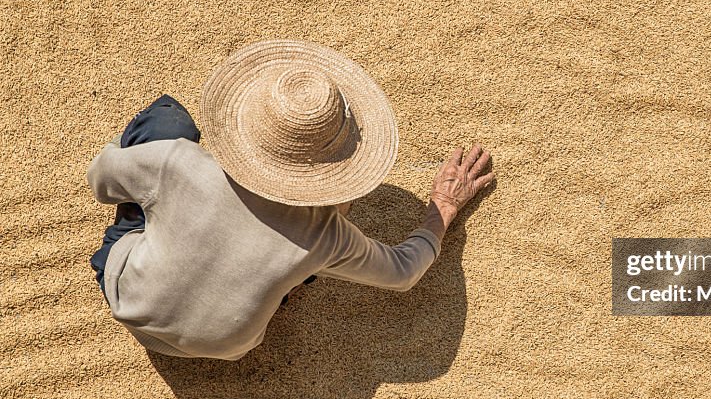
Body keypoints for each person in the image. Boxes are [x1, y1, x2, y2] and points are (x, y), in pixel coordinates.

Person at [87, 39, 494, 360]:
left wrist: (163, 189)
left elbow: (101, 179)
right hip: (226, 346)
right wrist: (444, 204)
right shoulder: (327, 235)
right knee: (301, 264)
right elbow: (405, 272)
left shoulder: (177, 163)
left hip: (128, 301)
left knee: (167, 119)